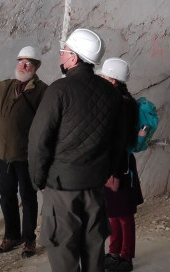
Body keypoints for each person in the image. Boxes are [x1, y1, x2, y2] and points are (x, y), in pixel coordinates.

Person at [28, 28, 123, 272]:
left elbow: (39, 139)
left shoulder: (59, 90)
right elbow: (118, 139)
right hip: (95, 186)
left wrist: (38, 178)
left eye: (64, 51)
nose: (61, 55)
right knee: (94, 251)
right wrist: (111, 171)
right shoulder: (110, 92)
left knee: (64, 252)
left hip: (62, 187)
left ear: (74, 57)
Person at [0, 45, 47, 258]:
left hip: (27, 156)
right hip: (4, 154)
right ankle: (11, 236)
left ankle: (29, 240)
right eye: (20, 61)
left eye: (28, 63)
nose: (23, 65)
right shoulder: (6, 86)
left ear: (36, 67)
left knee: (28, 198)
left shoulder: (43, 91)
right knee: (7, 197)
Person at [99, 58, 144, 272]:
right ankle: (114, 252)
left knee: (124, 215)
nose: (101, 80)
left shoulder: (123, 103)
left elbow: (120, 140)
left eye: (104, 77)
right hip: (114, 163)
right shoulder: (119, 100)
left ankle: (126, 257)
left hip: (120, 165)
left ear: (113, 80)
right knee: (113, 212)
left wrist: (115, 172)